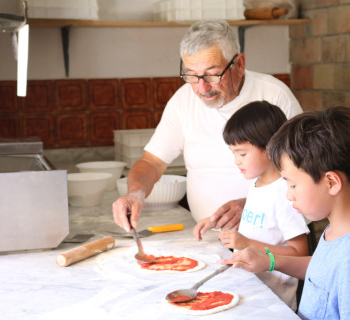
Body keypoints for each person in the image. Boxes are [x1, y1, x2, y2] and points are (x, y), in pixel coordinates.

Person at [112, 20, 302, 232]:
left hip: (275, 239)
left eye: (212, 74)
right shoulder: (182, 101)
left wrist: (252, 204)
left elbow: (304, 170)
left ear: (239, 64)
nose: (202, 88)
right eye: (192, 75)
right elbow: (152, 162)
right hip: (210, 238)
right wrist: (134, 193)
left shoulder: (274, 95)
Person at [222, 107, 350, 319]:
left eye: (292, 185)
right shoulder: (341, 228)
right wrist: (270, 261)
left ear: (331, 182)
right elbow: (321, 271)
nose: (288, 196)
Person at [195, 101, 309, 311]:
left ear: (269, 147)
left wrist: (246, 242)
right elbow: (264, 229)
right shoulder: (256, 186)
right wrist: (216, 223)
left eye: (242, 153)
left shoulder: (284, 193)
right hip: (251, 292)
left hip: (274, 304)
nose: (236, 161)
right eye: (234, 153)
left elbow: (299, 252)